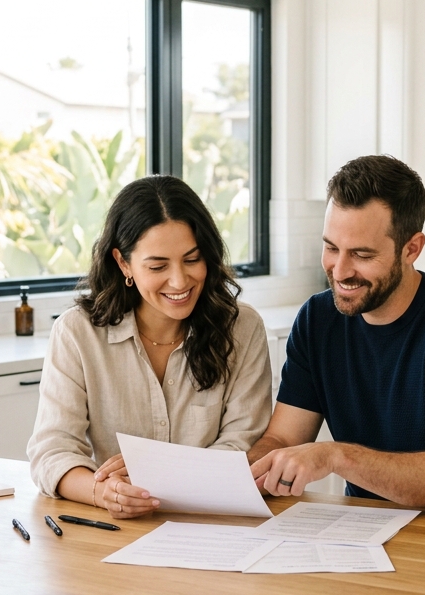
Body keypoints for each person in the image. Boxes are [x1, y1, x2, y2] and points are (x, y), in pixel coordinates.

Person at [248, 154, 425, 510]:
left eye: (362, 255)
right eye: (331, 248)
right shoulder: (318, 319)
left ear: (412, 249)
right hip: (368, 528)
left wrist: (335, 456)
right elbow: (283, 437)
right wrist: (236, 478)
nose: (341, 270)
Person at [28, 176, 272, 517]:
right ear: (124, 263)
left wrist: (156, 471)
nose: (179, 281)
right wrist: (104, 492)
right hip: (117, 529)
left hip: (213, 523)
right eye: (158, 266)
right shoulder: (77, 333)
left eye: (192, 260)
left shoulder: (242, 328)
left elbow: (242, 445)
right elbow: (52, 451)